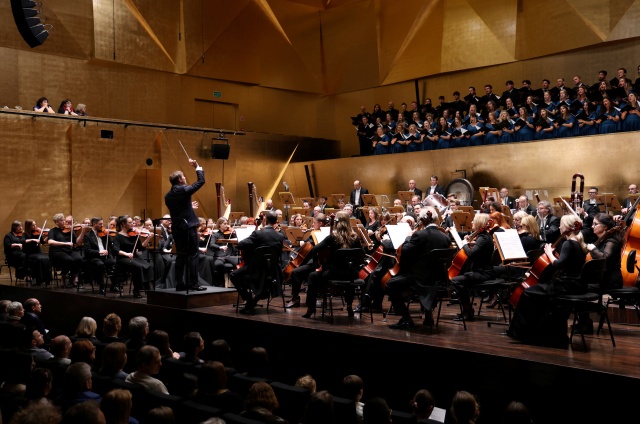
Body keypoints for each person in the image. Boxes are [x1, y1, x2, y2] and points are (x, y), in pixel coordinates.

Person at [508, 215, 587, 346]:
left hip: (565, 286)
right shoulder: (579, 243)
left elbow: (558, 265)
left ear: (568, 227)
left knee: (527, 293)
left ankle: (522, 333)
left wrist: (549, 252)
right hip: (576, 284)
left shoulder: (568, 243)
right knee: (537, 293)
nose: (560, 227)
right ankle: (541, 331)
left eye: (561, 225)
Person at [387, 208, 451, 329]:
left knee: (390, 284)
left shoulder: (419, 235)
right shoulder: (445, 237)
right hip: (438, 280)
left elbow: (405, 251)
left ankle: (406, 319)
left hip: (420, 280)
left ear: (421, 220)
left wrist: (408, 237)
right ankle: (428, 316)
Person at [302, 211, 362, 318]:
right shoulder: (355, 237)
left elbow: (314, 249)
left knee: (312, 276)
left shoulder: (333, 237)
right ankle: (349, 306)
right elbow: (361, 255)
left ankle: (311, 308)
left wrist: (321, 262)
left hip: (334, 274)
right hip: (351, 274)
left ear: (337, 223)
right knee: (349, 281)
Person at [230, 211, 285, 314]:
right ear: (275, 221)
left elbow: (241, 245)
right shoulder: (280, 236)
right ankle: (254, 300)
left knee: (233, 275)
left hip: (256, 270)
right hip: (273, 271)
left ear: (265, 220)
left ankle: (249, 300)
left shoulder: (258, 234)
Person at [164, 158, 207, 291]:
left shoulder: (168, 196)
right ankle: (193, 284)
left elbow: (180, 208)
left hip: (177, 228)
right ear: (180, 180)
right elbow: (201, 182)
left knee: (181, 255)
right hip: (188, 227)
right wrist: (197, 167)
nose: (185, 178)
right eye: (183, 176)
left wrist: (189, 206)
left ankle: (179, 284)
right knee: (193, 254)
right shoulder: (183, 190)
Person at [451, 213, 500, 321]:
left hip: (484, 273)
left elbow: (472, 254)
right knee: (461, 279)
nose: (472, 222)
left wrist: (464, 244)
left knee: (456, 281)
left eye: (474, 220)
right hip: (481, 271)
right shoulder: (483, 236)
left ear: (479, 223)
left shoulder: (483, 238)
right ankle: (466, 310)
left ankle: (468, 311)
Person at [112, 215, 154, 299]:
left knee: (149, 265)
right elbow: (115, 250)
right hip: (122, 259)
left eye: (132, 222)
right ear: (123, 224)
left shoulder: (134, 235)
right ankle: (136, 290)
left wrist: (148, 239)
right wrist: (126, 254)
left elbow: (141, 247)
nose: (133, 224)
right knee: (138, 267)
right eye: (130, 222)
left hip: (133, 258)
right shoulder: (118, 236)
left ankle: (148, 287)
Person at [586, 213, 623, 290]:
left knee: (580, 287)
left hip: (611, 281)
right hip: (602, 279)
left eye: (595, 224)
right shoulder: (601, 240)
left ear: (605, 227)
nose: (592, 226)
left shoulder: (612, 241)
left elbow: (604, 257)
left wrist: (593, 249)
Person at [48, 213, 83, 288]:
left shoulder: (70, 230)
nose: (64, 221)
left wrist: (83, 232)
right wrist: (65, 243)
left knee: (78, 259)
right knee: (68, 260)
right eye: (61, 220)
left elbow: (77, 242)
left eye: (64, 220)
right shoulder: (53, 231)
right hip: (57, 252)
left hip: (69, 251)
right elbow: (50, 242)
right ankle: (63, 276)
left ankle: (73, 277)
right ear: (56, 222)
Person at [84, 217, 118, 295]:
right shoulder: (88, 236)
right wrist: (99, 252)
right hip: (94, 257)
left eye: (102, 224)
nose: (102, 226)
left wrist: (108, 236)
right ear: (94, 224)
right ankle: (102, 286)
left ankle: (114, 285)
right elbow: (87, 250)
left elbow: (112, 247)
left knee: (115, 262)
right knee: (100, 264)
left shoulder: (105, 234)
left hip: (105, 257)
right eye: (100, 224)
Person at [22, 219, 52, 286]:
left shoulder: (37, 232)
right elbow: (23, 241)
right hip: (29, 253)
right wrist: (32, 239)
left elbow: (42, 242)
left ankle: (47, 279)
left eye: (35, 224)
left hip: (38, 252)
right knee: (39, 260)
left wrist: (47, 236)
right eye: (33, 225)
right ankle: (39, 279)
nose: (35, 226)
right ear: (28, 226)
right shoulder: (24, 234)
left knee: (47, 258)